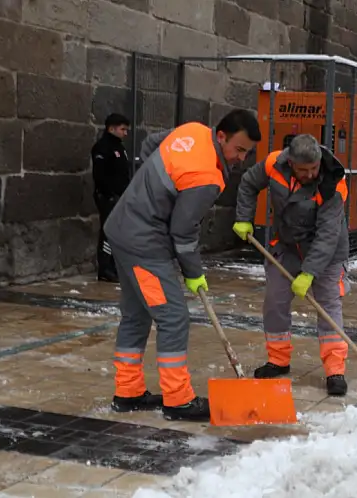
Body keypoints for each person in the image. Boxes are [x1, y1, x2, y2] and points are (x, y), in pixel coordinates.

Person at [104, 110, 261, 421]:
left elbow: (151, 145)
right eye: (238, 149)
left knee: (136, 315)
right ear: (221, 136)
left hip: (122, 228)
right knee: (173, 317)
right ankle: (178, 401)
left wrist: (146, 191)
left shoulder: (192, 131)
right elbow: (183, 231)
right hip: (143, 242)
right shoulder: (206, 177)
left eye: (246, 152)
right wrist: (194, 273)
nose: (240, 159)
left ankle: (127, 392)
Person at [232, 134, 351, 396]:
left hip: (326, 252)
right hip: (285, 245)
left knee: (328, 305)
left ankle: (335, 368)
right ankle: (278, 359)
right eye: (302, 170)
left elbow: (328, 233)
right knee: (275, 301)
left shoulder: (334, 182)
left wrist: (309, 272)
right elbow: (249, 184)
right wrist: (243, 217)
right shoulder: (274, 163)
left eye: (313, 169)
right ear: (291, 162)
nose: (309, 174)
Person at [91, 113, 132, 283]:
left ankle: (114, 266)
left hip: (120, 197)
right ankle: (105, 268)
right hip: (108, 197)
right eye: (122, 129)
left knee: (118, 232)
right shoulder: (103, 147)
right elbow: (100, 175)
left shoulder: (119, 148)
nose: (125, 133)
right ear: (111, 128)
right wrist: (109, 194)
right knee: (108, 232)